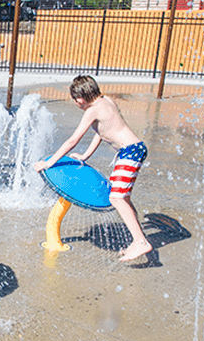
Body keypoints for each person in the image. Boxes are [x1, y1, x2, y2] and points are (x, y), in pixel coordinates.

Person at [33, 75, 153, 262]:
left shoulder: (91, 111)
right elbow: (101, 132)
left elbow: (73, 140)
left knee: (116, 197)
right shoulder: (107, 101)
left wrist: (49, 163)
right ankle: (137, 239)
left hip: (129, 152)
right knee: (124, 198)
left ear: (79, 99)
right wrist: (85, 156)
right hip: (133, 150)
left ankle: (141, 242)